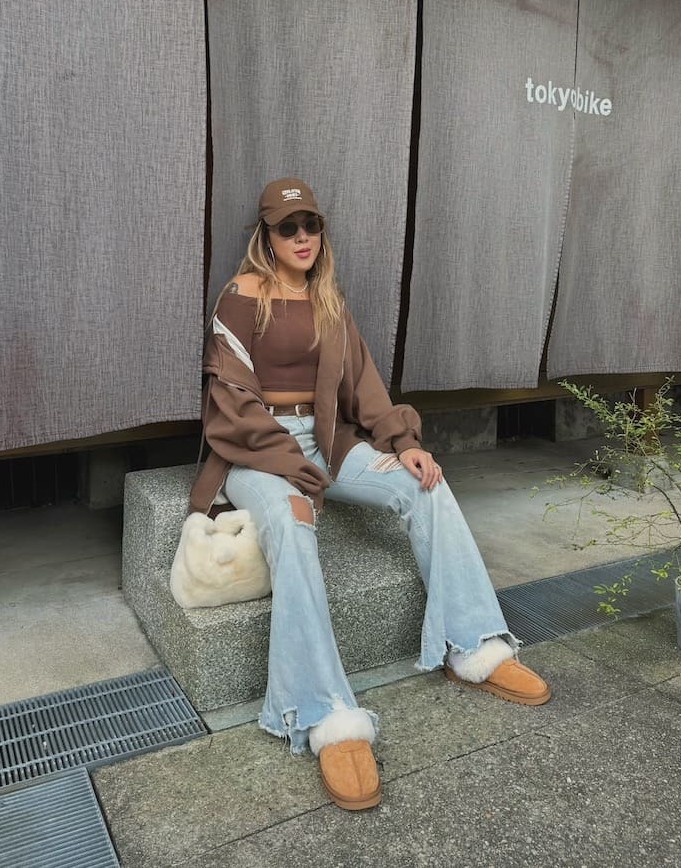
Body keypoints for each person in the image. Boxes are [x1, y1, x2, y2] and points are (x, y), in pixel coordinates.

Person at [189, 177, 551, 811]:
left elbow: (364, 387)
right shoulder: (241, 297)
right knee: (292, 521)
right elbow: (230, 403)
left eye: (311, 225)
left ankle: (473, 646)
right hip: (255, 450)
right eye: (287, 227)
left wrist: (402, 441)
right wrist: (291, 469)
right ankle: (324, 713)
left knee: (425, 485)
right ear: (266, 236)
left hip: (327, 442)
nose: (302, 237)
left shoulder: (329, 300)